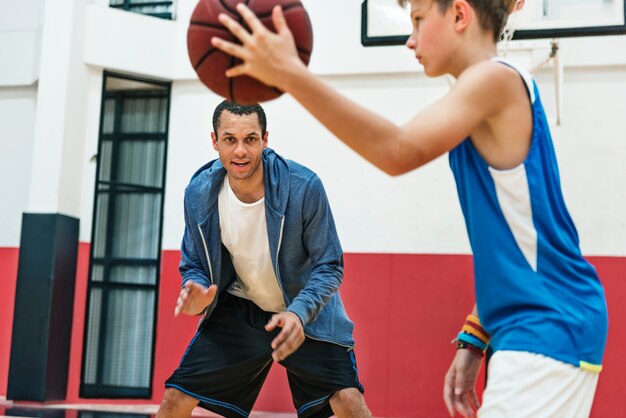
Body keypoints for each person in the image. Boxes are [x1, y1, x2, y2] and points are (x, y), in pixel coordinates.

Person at [210, 1, 609, 417]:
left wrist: (290, 73)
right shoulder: (485, 91)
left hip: (550, 321)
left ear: (458, 14)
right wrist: (476, 334)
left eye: (418, 19)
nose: (410, 38)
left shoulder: (495, 80)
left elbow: (397, 151)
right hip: (533, 320)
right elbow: (513, 241)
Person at [156, 101, 371, 418]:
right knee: (174, 402)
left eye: (250, 139)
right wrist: (196, 289)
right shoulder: (199, 192)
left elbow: (329, 266)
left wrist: (298, 314)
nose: (240, 151)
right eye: (230, 139)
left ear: (265, 139)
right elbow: (194, 265)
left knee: (348, 402)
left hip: (302, 310)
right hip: (241, 306)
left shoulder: (302, 186)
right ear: (215, 141)